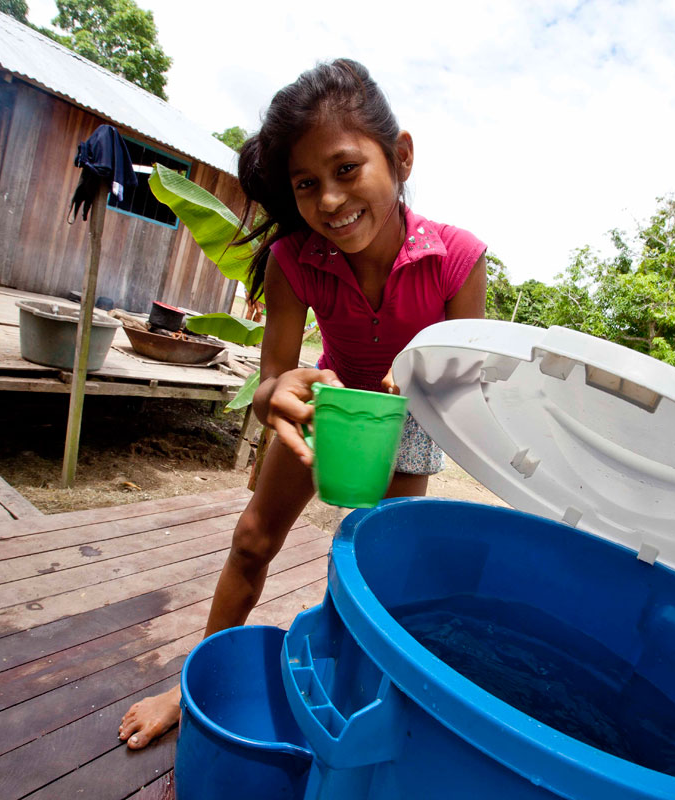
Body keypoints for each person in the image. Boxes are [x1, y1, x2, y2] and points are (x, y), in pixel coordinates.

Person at [117, 58, 488, 749]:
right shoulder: (294, 258)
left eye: (347, 170)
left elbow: (467, 384)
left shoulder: (459, 259)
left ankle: (354, 708)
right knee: (253, 539)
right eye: (306, 185)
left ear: (399, 157)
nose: (329, 201)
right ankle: (188, 684)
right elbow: (273, 378)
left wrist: (424, 399)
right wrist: (273, 397)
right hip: (327, 404)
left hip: (414, 423)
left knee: (380, 574)